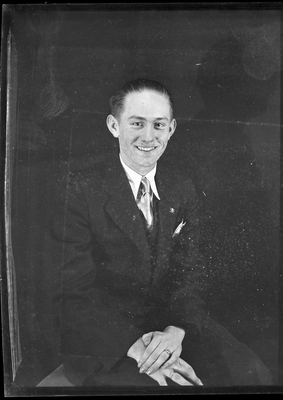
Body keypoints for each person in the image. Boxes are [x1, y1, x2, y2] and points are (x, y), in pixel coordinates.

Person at [51, 78, 272, 387]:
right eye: (137, 123)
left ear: (171, 129)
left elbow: (190, 273)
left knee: (250, 371)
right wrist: (142, 352)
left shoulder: (181, 187)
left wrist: (176, 332)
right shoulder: (79, 189)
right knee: (160, 386)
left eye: (158, 125)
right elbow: (75, 294)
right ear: (114, 126)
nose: (148, 137)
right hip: (106, 339)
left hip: (168, 326)